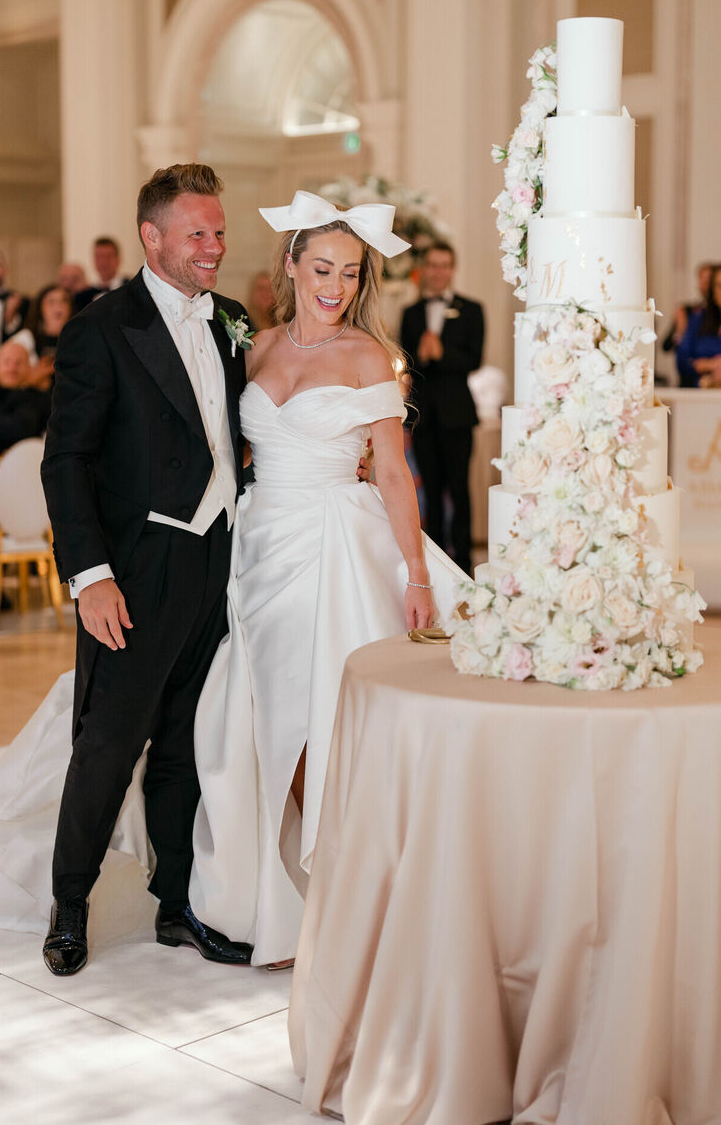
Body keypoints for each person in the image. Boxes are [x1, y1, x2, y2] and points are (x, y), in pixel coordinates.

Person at [188, 192, 467, 966]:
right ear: (290, 264)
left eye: (349, 272)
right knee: (261, 712)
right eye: (321, 267)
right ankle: (283, 892)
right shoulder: (255, 346)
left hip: (330, 544)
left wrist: (414, 572)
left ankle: (347, 890)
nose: (335, 286)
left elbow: (397, 476)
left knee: (318, 717)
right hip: (255, 543)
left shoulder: (366, 355)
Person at [37, 163, 255, 976]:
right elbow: (67, 462)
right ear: (152, 236)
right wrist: (90, 576)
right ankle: (69, 906)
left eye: (220, 231)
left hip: (220, 562)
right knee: (109, 744)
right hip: (136, 568)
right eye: (197, 233)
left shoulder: (231, 319)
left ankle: (179, 907)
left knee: (190, 744)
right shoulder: (101, 327)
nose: (214, 247)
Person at [400, 242, 484, 574]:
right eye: (432, 265)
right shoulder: (411, 313)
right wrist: (420, 355)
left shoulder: (472, 309)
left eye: (444, 265)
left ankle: (463, 562)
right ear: (424, 270)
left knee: (460, 490)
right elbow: (406, 361)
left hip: (458, 415)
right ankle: (435, 563)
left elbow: (474, 359)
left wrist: (441, 353)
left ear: (452, 269)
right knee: (431, 491)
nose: (438, 272)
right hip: (423, 416)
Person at [0, 342, 50, 539]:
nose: (12, 368)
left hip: (13, 505)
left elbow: (21, 427)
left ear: (29, 368)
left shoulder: (32, 399)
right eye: (7, 362)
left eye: (18, 363)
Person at [663, 261, 714, 381]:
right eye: (701, 278)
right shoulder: (688, 312)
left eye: (709, 279)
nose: (704, 284)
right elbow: (665, 347)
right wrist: (680, 330)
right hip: (689, 382)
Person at [676, 264, 721, 388]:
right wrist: (711, 364)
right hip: (698, 394)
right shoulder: (697, 319)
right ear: (712, 290)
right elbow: (682, 362)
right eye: (719, 286)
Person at [24, 284, 73, 393]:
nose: (58, 307)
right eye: (51, 302)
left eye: (63, 301)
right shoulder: (27, 338)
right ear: (40, 308)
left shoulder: (80, 338)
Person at [73, 236, 128, 310]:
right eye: (99, 257)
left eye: (108, 257)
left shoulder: (131, 288)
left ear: (118, 259)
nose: (103, 262)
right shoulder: (83, 296)